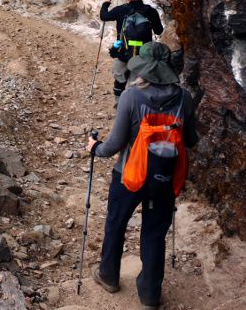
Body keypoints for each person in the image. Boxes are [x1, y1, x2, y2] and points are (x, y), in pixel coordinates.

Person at [85, 42, 199, 309]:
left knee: (116, 224)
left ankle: (109, 276)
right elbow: (191, 141)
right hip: (165, 178)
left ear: (143, 68)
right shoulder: (184, 98)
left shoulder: (131, 97)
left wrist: (95, 148)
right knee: (154, 234)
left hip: (130, 176)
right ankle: (149, 295)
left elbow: (114, 144)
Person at [100, 0, 164, 102]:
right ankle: (138, 108)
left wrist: (105, 5)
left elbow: (104, 16)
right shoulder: (150, 11)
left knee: (119, 80)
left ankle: (119, 107)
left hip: (122, 52)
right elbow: (159, 31)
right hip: (144, 54)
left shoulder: (120, 10)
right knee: (140, 83)